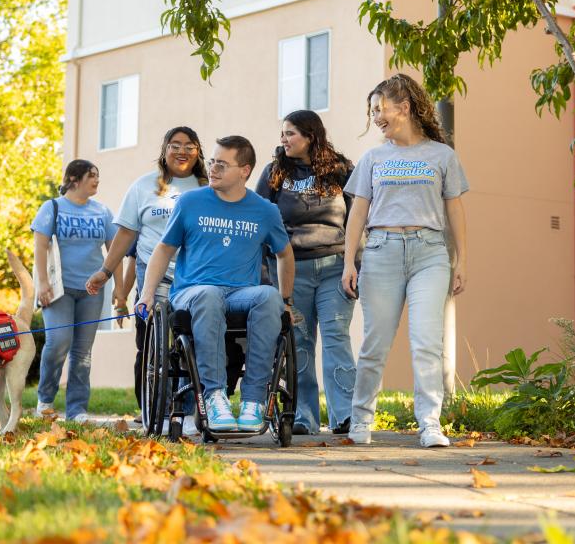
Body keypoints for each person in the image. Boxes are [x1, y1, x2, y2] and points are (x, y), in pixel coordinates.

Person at [342, 74, 468, 448]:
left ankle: (430, 423)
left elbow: (455, 210)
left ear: (405, 107)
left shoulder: (442, 156)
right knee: (375, 343)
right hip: (382, 251)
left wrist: (462, 260)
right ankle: (362, 419)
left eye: (381, 109)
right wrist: (350, 261)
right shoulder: (374, 158)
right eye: (373, 111)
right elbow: (357, 213)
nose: (377, 117)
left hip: (430, 253)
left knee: (427, 342)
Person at [137, 135, 295, 432]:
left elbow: (284, 254)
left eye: (222, 164)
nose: (212, 169)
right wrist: (147, 294)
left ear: (244, 171)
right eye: (212, 162)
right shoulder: (190, 202)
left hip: (240, 294)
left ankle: (253, 400)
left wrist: (285, 298)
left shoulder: (264, 211)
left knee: (269, 297)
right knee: (209, 295)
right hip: (192, 292)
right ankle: (214, 396)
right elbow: (163, 250)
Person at [85, 126, 208, 423]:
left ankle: (187, 410)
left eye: (189, 146)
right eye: (175, 145)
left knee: (193, 342)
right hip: (153, 277)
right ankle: (152, 408)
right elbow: (126, 232)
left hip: (197, 276)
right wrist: (105, 271)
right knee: (150, 343)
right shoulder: (143, 187)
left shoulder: (208, 187)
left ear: (199, 152)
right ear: (164, 150)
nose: (182, 151)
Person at [256, 110, 357, 436]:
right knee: (298, 341)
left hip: (334, 267)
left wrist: (357, 263)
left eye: (290, 134)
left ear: (311, 135)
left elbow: (358, 218)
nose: (283, 140)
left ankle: (345, 415)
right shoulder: (274, 172)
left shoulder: (340, 169)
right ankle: (303, 416)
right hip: (289, 270)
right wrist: (263, 273)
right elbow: (258, 221)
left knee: (336, 338)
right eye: (283, 133)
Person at [32, 160, 118, 422]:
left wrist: (119, 288)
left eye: (98, 175)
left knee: (82, 353)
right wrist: (42, 283)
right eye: (92, 176)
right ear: (74, 179)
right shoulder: (53, 207)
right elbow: (40, 246)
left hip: (91, 292)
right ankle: (45, 400)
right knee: (58, 342)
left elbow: (115, 250)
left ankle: (77, 410)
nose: (96, 181)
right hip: (59, 290)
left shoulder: (102, 212)